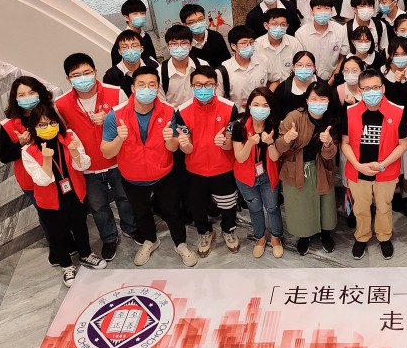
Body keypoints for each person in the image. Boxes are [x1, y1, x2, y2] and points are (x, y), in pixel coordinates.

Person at [101, 67, 198, 267]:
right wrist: (119, 138)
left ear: (157, 88)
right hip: (132, 176)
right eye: (142, 85)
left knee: (173, 211)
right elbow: (107, 152)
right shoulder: (115, 115)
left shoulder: (168, 111)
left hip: (163, 173)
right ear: (133, 88)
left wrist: (170, 139)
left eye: (152, 85)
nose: (147, 89)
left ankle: (180, 244)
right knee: (141, 212)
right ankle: (150, 241)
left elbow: (173, 147)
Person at [55, 53, 135, 262]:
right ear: (68, 79)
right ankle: (109, 238)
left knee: (125, 198)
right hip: (88, 167)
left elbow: (131, 123)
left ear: (95, 72)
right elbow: (63, 134)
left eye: (87, 72)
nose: (83, 78)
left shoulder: (115, 92)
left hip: (117, 160)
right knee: (98, 207)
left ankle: (131, 228)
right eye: (76, 75)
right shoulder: (61, 104)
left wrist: (110, 120)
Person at [21, 103, 106, 286]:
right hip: (50, 200)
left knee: (80, 226)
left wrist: (74, 151)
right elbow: (42, 180)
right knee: (57, 234)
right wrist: (46, 159)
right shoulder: (28, 151)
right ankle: (66, 265)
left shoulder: (69, 136)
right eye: (42, 125)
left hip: (75, 193)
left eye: (52, 122)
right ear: (34, 127)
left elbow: (83, 165)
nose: (48, 127)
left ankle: (85, 254)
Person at [341, 69, 407, 260]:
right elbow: (345, 143)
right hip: (358, 171)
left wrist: (383, 164)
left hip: (386, 171)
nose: (372, 92)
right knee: (360, 208)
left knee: (384, 206)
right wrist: (357, 165)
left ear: (383, 88)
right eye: (366, 88)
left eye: (375, 87)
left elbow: (403, 144)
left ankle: (384, 236)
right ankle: (362, 237)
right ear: (359, 91)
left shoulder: (397, 111)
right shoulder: (350, 112)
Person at [175, 66, 241, 257]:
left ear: (216, 85)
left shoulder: (230, 108)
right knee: (197, 207)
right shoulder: (182, 111)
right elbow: (187, 148)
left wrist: (224, 143)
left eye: (208, 84)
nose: (203, 88)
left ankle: (228, 230)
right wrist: (184, 144)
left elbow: (231, 143)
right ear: (191, 86)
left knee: (228, 205)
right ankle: (205, 233)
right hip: (195, 170)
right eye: (198, 85)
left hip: (224, 168)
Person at [271, 82, 340, 256]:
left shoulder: (331, 120)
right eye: (314, 99)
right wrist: (287, 138)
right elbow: (279, 147)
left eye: (323, 99)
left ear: (329, 101)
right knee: (301, 205)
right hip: (297, 168)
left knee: (325, 203)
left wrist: (328, 143)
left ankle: (325, 233)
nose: (318, 103)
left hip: (322, 167)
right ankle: (304, 236)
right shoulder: (294, 117)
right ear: (307, 100)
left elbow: (330, 155)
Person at [0, 76, 54, 236]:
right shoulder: (9, 125)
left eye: (31, 92)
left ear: (39, 93)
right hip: (31, 180)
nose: (28, 98)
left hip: (57, 173)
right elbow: (4, 156)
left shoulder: (51, 114)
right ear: (15, 99)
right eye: (22, 95)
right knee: (47, 216)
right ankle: (57, 244)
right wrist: (20, 144)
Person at [231, 87, 282, 259]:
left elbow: (275, 158)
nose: (260, 108)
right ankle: (260, 238)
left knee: (273, 207)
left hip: (268, 175)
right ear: (249, 106)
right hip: (246, 178)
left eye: (265, 105)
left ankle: (276, 238)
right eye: (256, 104)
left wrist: (270, 143)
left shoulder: (274, 125)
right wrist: (249, 143)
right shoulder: (239, 126)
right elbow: (239, 157)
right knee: (255, 208)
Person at [295, 0, 348, 82]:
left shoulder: (340, 30)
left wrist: (331, 81)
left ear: (331, 11)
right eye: (318, 8)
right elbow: (300, 61)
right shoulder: (301, 33)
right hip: (308, 79)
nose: (323, 12)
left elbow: (342, 58)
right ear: (312, 11)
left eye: (327, 8)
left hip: (334, 78)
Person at [255, 6, 303, 88]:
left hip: (291, 87)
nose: (279, 27)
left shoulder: (294, 42)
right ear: (266, 25)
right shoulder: (257, 45)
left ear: (287, 26)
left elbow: (300, 66)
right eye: (274, 24)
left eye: (283, 25)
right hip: (268, 89)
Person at [221, 25, 266, 109]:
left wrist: (266, 98)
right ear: (234, 46)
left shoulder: (263, 61)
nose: (249, 46)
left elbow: (274, 80)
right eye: (244, 43)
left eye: (251, 42)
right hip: (236, 113)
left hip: (260, 111)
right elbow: (219, 97)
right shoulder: (224, 69)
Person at [104, 30, 158, 96]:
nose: (130, 50)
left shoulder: (153, 66)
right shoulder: (110, 76)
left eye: (134, 46)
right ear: (119, 51)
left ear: (141, 49)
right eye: (124, 47)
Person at [180, 3, 231, 68]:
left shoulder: (216, 37)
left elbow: (226, 62)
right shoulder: (183, 44)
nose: (198, 24)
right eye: (192, 22)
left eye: (201, 19)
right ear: (185, 25)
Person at [111, 0, 157, 65]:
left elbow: (153, 58)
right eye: (135, 14)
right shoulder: (121, 40)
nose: (140, 16)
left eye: (142, 13)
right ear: (126, 18)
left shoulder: (146, 36)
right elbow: (116, 65)